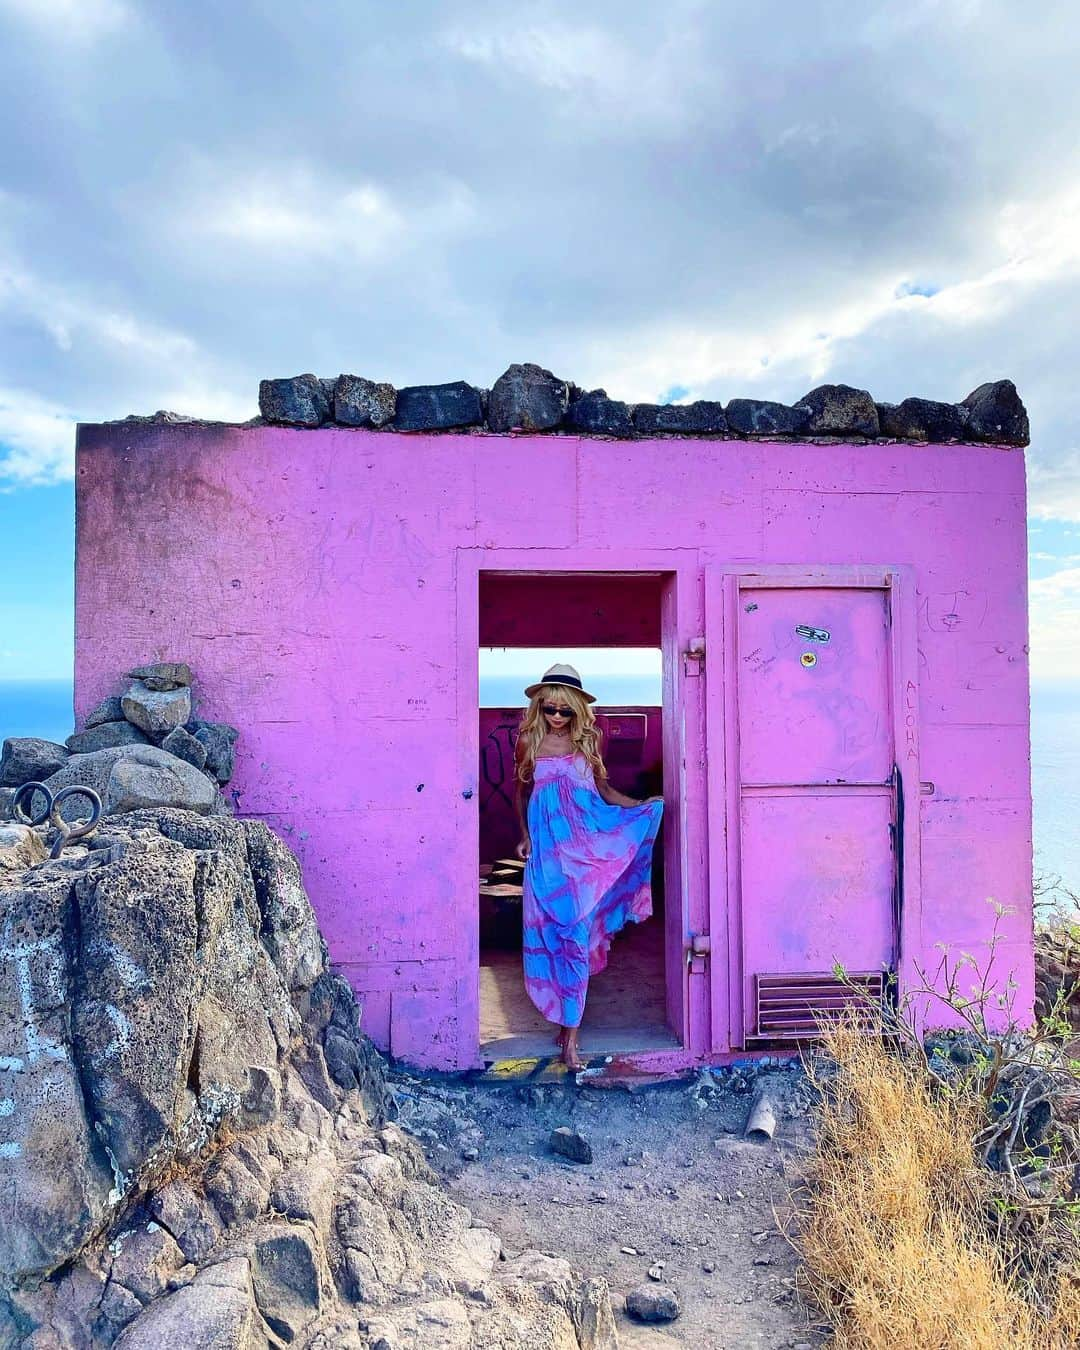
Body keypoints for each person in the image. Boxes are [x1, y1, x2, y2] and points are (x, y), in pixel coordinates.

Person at [514, 663, 663, 1071]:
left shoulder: (587, 746)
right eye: (550, 709)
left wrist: (640, 807)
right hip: (548, 858)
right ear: (540, 708)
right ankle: (565, 1022)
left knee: (576, 941)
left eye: (566, 711)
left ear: (578, 711)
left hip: (585, 855)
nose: (558, 717)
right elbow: (522, 794)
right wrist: (525, 836)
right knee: (553, 938)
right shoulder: (529, 742)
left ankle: (571, 1039)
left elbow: (605, 791)